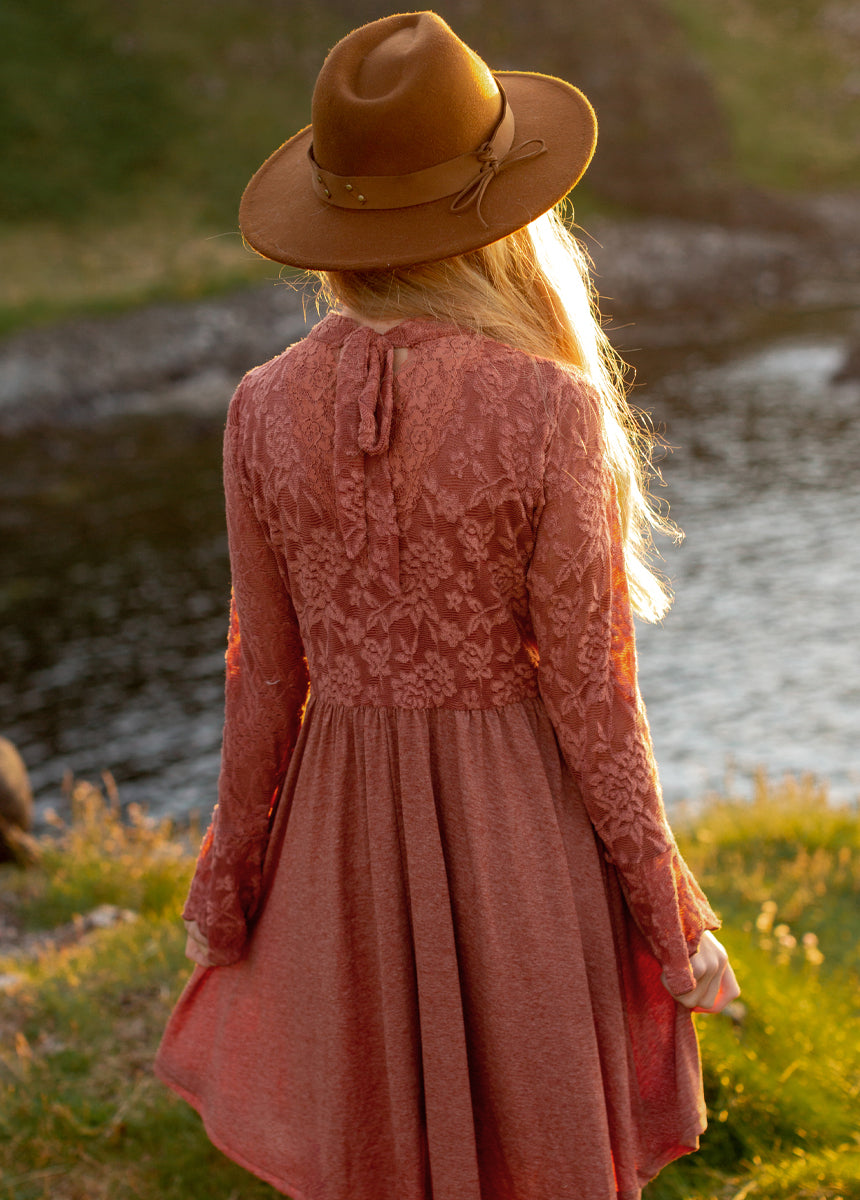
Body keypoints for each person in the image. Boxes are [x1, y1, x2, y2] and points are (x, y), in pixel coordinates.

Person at [154, 11, 739, 1200]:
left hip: (339, 842)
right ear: (499, 215)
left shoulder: (259, 410)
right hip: (518, 832)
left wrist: (231, 888)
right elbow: (592, 698)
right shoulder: (548, 408)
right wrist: (668, 916)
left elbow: (262, 676)